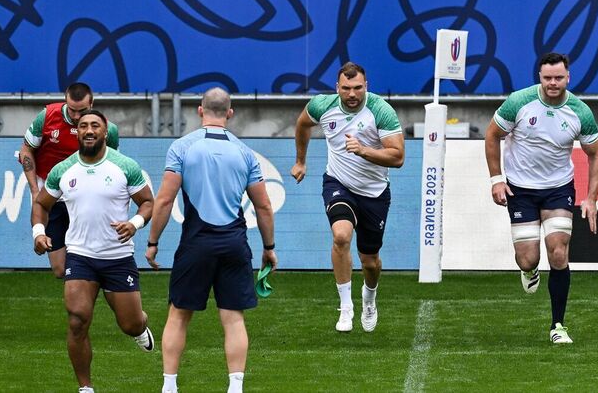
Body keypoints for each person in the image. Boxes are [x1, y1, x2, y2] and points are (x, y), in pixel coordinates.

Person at [146, 87, 277, 393]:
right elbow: (264, 207)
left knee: (179, 315)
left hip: (196, 243)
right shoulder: (245, 153)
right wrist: (269, 248)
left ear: (199, 110)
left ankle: (169, 386)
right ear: (230, 113)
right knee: (233, 318)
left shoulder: (181, 147)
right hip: (234, 244)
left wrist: (153, 242)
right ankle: (235, 388)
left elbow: (164, 200)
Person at [31, 108, 154, 393]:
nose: (88, 130)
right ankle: (85, 388)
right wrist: (38, 232)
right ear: (77, 132)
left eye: (95, 126)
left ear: (105, 132)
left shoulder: (125, 166)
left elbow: (148, 202)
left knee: (130, 324)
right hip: (80, 256)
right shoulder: (63, 170)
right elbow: (41, 204)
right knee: (77, 320)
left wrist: (134, 223)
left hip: (118, 258)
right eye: (83, 125)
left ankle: (141, 326)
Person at [485, 52, 598, 345]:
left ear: (568, 77)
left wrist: (591, 198)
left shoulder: (580, 112)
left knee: (559, 253)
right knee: (527, 259)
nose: (553, 83)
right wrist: (496, 179)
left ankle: (558, 325)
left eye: (558, 78)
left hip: (558, 189)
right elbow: (492, 135)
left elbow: (596, 155)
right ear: (539, 77)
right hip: (520, 190)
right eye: (547, 77)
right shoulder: (519, 102)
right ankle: (530, 270)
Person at [291, 62, 404, 333]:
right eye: (346, 88)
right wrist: (300, 161)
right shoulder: (322, 106)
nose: (352, 94)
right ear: (337, 88)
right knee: (341, 236)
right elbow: (303, 124)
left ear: (366, 86)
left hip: (374, 192)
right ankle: (345, 307)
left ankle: (369, 297)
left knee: (370, 262)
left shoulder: (380, 110)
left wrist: (364, 150)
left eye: (357, 88)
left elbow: (397, 157)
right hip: (338, 183)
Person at [20, 82, 120, 278]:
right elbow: (26, 150)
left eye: (81, 111)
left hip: (85, 197)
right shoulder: (47, 116)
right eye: (71, 110)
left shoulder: (108, 129)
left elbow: (112, 163)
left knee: (95, 256)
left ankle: (95, 285)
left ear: (91, 104)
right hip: (53, 196)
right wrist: (34, 190)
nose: (75, 116)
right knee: (60, 269)